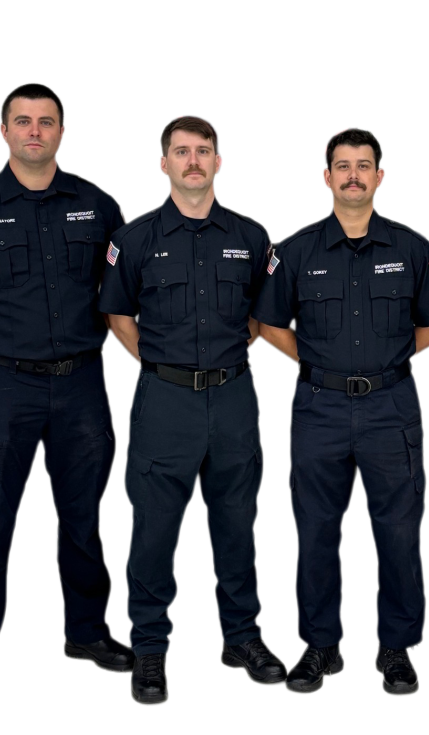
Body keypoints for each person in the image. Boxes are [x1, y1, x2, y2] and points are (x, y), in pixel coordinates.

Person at [0, 82, 133, 720]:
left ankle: (87, 632)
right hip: (2, 390)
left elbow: (122, 295)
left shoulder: (99, 207)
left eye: (46, 122)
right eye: (23, 122)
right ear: (4, 131)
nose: (34, 132)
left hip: (81, 386)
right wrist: (0, 350)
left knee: (84, 519)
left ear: (62, 133)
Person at [253, 126, 429, 697]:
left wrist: (385, 367)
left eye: (364, 165)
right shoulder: (294, 251)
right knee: (315, 531)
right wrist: (318, 366)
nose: (353, 175)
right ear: (326, 177)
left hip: (392, 406)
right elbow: (269, 325)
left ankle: (396, 649)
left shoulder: (412, 247)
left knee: (397, 531)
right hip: (318, 406)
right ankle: (320, 646)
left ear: (380, 176)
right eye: (342, 166)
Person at [99, 114, 285, 707]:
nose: (193, 161)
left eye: (204, 151)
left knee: (237, 523)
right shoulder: (134, 239)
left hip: (233, 397)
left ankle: (243, 638)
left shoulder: (253, 236)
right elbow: (118, 316)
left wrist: (223, 364)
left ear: (219, 162)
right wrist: (161, 367)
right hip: (164, 401)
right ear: (163, 164)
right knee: (153, 529)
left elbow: (264, 317)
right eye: (181, 152)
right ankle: (150, 648)